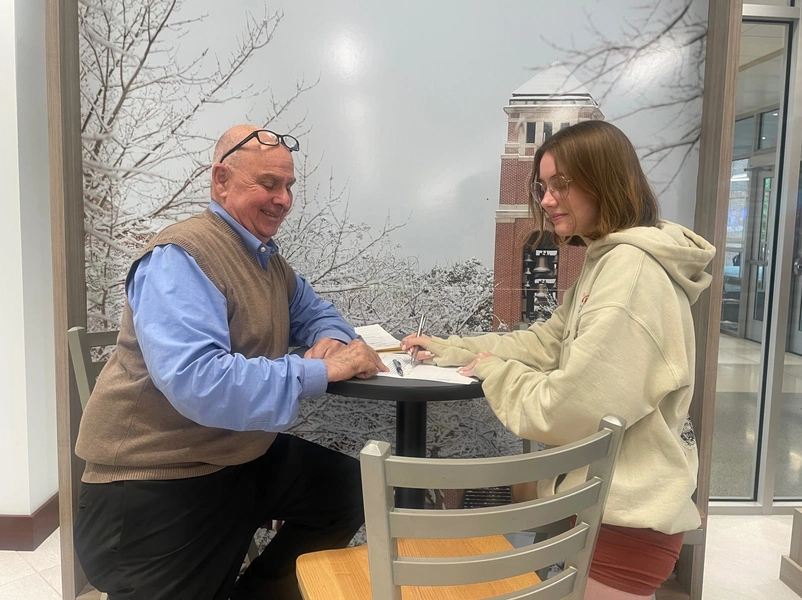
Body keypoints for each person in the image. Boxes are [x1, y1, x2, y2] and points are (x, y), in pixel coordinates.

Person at [401, 120, 715, 600]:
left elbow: (569, 408)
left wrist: (492, 370)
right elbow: (548, 342)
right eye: (543, 187)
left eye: (562, 184)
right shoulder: (608, 259)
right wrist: (457, 349)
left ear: (606, 180)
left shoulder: (630, 277)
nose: (546, 201)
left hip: (623, 524)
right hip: (604, 506)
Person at [73, 124, 387, 600]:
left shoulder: (267, 262)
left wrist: (330, 338)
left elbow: (317, 312)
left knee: (347, 489)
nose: (283, 199)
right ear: (221, 181)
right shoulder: (180, 256)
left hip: (236, 455)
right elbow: (200, 382)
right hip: (156, 480)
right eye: (268, 183)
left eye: (289, 186)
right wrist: (324, 369)